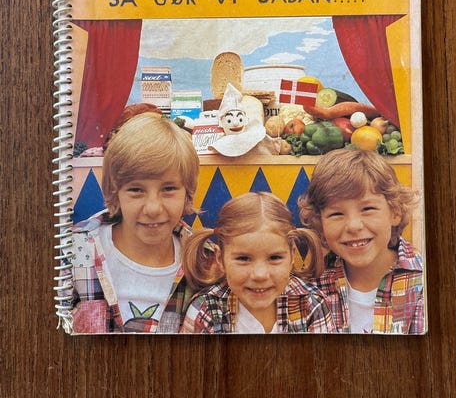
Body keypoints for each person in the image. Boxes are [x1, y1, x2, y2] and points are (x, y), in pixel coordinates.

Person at [68, 111, 213, 333]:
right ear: (115, 192)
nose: (153, 208)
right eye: (136, 190)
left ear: (187, 192)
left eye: (169, 189)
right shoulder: (72, 252)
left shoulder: (205, 260)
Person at [298, 148, 424, 334]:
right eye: (336, 214)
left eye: (367, 209)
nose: (353, 226)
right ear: (320, 224)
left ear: (395, 212)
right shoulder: (309, 287)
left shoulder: (425, 283)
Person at [180, 192, 336, 334]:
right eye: (243, 259)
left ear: (292, 256)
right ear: (220, 259)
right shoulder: (205, 310)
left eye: (274, 258)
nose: (260, 275)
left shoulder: (310, 305)